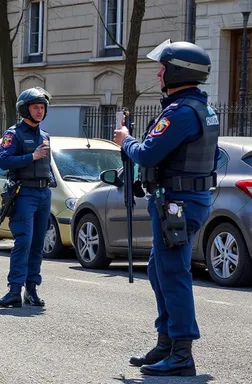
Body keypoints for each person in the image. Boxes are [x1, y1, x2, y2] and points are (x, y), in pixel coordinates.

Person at [113, 40, 219, 377]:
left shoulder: (182, 112)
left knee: (173, 275)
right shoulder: (200, 109)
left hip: (179, 204)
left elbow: (146, 153)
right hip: (182, 199)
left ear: (177, 71)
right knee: (161, 271)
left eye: (163, 67)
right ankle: (166, 343)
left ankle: (182, 353)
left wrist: (124, 140)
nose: (158, 72)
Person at [0, 87, 54, 309]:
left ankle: (32, 290)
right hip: (24, 192)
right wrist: (32, 156)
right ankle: (13, 291)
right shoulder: (13, 134)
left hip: (43, 194)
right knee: (24, 242)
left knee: (38, 244)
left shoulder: (45, 136)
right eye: (36, 107)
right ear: (24, 109)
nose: (40, 111)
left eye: (42, 107)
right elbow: (4, 161)